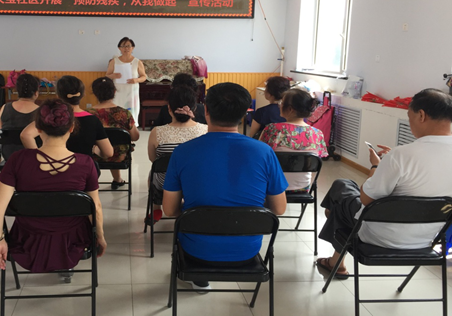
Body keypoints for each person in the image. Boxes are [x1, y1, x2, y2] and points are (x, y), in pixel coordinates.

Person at [316, 88, 452, 280]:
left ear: (421, 115)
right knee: (343, 202)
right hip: (427, 239)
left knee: (342, 190)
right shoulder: (400, 155)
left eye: (409, 117)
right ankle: (334, 256)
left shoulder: (401, 155)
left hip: (379, 235)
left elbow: (366, 199)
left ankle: (335, 252)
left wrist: (377, 166)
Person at [163, 82, 288, 291]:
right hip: (246, 251)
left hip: (197, 250)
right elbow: (279, 209)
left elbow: (169, 210)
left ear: (206, 111)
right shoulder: (264, 152)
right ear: (245, 113)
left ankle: (199, 278)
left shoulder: (183, 152)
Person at [0, 99, 107, 273]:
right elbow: (95, 207)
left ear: (38, 128)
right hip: (73, 242)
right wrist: (100, 236)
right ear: (71, 128)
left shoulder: (18, 160)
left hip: (27, 241)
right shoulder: (85, 163)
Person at [147, 86, 207, 225]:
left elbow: (153, 159)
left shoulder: (157, 132)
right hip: (197, 183)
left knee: (153, 172)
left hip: (164, 184)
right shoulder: (205, 130)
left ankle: (156, 207)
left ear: (169, 109)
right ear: (195, 108)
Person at [21, 76, 113, 160]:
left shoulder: (53, 116)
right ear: (83, 94)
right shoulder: (93, 120)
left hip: (55, 167)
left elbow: (26, 135)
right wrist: (96, 151)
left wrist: (40, 158)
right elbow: (108, 153)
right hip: (84, 168)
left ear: (58, 96)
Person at [259, 89, 328, 191]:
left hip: (273, 188)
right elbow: (315, 162)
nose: (279, 105)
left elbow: (259, 155)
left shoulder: (273, 129)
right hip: (302, 188)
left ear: (290, 109)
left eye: (281, 102)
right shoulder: (317, 134)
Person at [89, 77, 140, 189]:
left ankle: (91, 182)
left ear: (94, 93)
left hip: (94, 155)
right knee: (115, 143)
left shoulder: (88, 114)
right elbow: (135, 137)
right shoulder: (124, 113)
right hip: (120, 156)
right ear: (115, 92)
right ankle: (117, 179)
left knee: (101, 144)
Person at [106, 37, 147, 127]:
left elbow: (144, 77)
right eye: (123, 46)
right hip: (118, 91)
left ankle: (131, 129)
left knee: (131, 112)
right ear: (119, 48)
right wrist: (113, 75)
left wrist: (136, 80)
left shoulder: (137, 62)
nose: (126, 48)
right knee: (117, 112)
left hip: (131, 92)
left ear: (133, 48)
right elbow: (107, 75)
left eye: (128, 46)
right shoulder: (114, 61)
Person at [0, 73, 40, 160]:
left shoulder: (4, 108)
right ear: (36, 93)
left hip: (9, 156)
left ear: (17, 91)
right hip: (33, 156)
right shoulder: (42, 112)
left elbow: (2, 132)